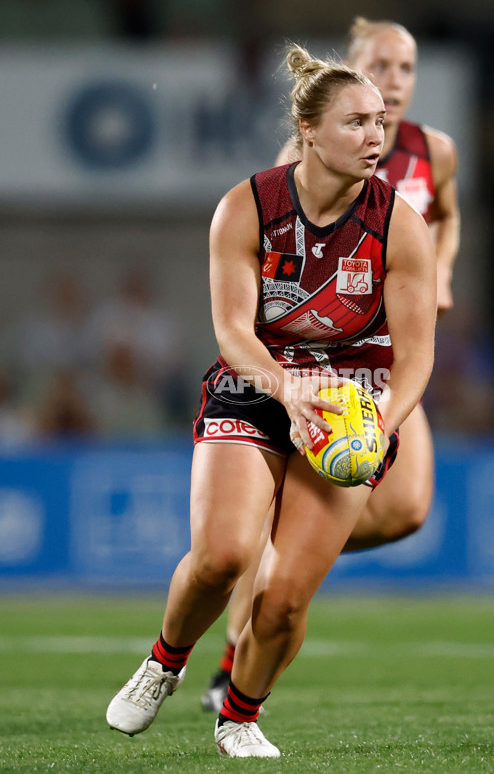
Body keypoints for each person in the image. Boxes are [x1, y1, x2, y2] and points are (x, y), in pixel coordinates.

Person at [106, 43, 437, 758]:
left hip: (351, 398)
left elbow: (416, 357)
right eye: (356, 122)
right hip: (259, 384)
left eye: (380, 122)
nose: (375, 136)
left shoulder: (398, 224)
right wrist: (288, 389)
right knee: (223, 556)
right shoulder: (247, 206)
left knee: (285, 595)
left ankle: (240, 715)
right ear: (309, 130)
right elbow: (232, 333)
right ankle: (163, 663)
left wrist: (381, 421)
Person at [201, 16, 460, 712]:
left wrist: (443, 268)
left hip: (392, 355)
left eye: (407, 68)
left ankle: (283, 547)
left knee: (406, 510)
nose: (396, 81)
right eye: (382, 65)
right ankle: (242, 635)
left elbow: (448, 215)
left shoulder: (435, 151)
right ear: (354, 68)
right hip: (324, 359)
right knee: (296, 551)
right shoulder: (313, 155)